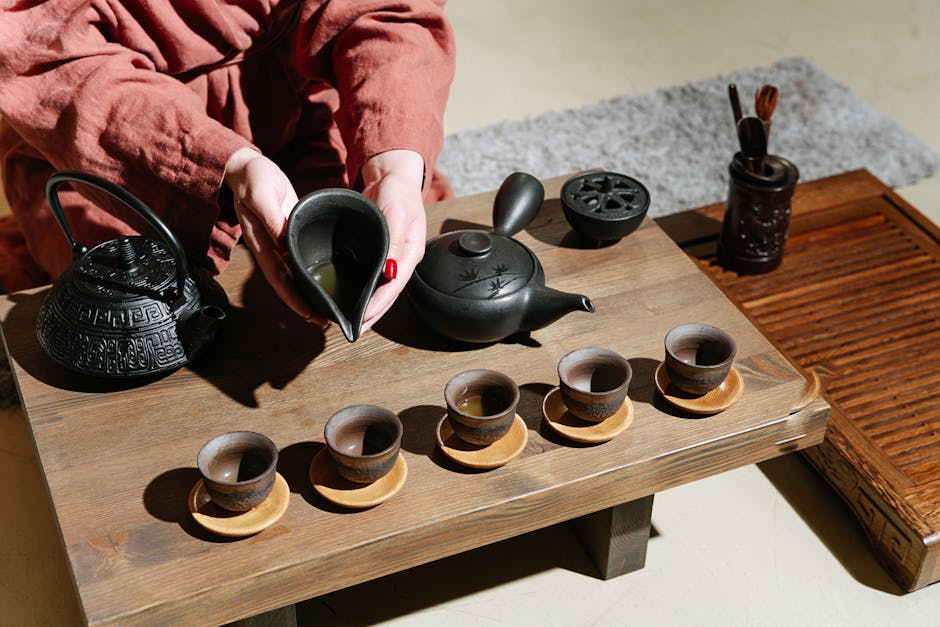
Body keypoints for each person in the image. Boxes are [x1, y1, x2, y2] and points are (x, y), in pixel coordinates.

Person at [0, 0, 455, 335]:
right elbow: (45, 58)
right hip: (118, 147)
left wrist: (392, 161)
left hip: (290, 110)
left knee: (393, 251)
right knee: (137, 325)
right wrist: (225, 163)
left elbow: (383, 13)